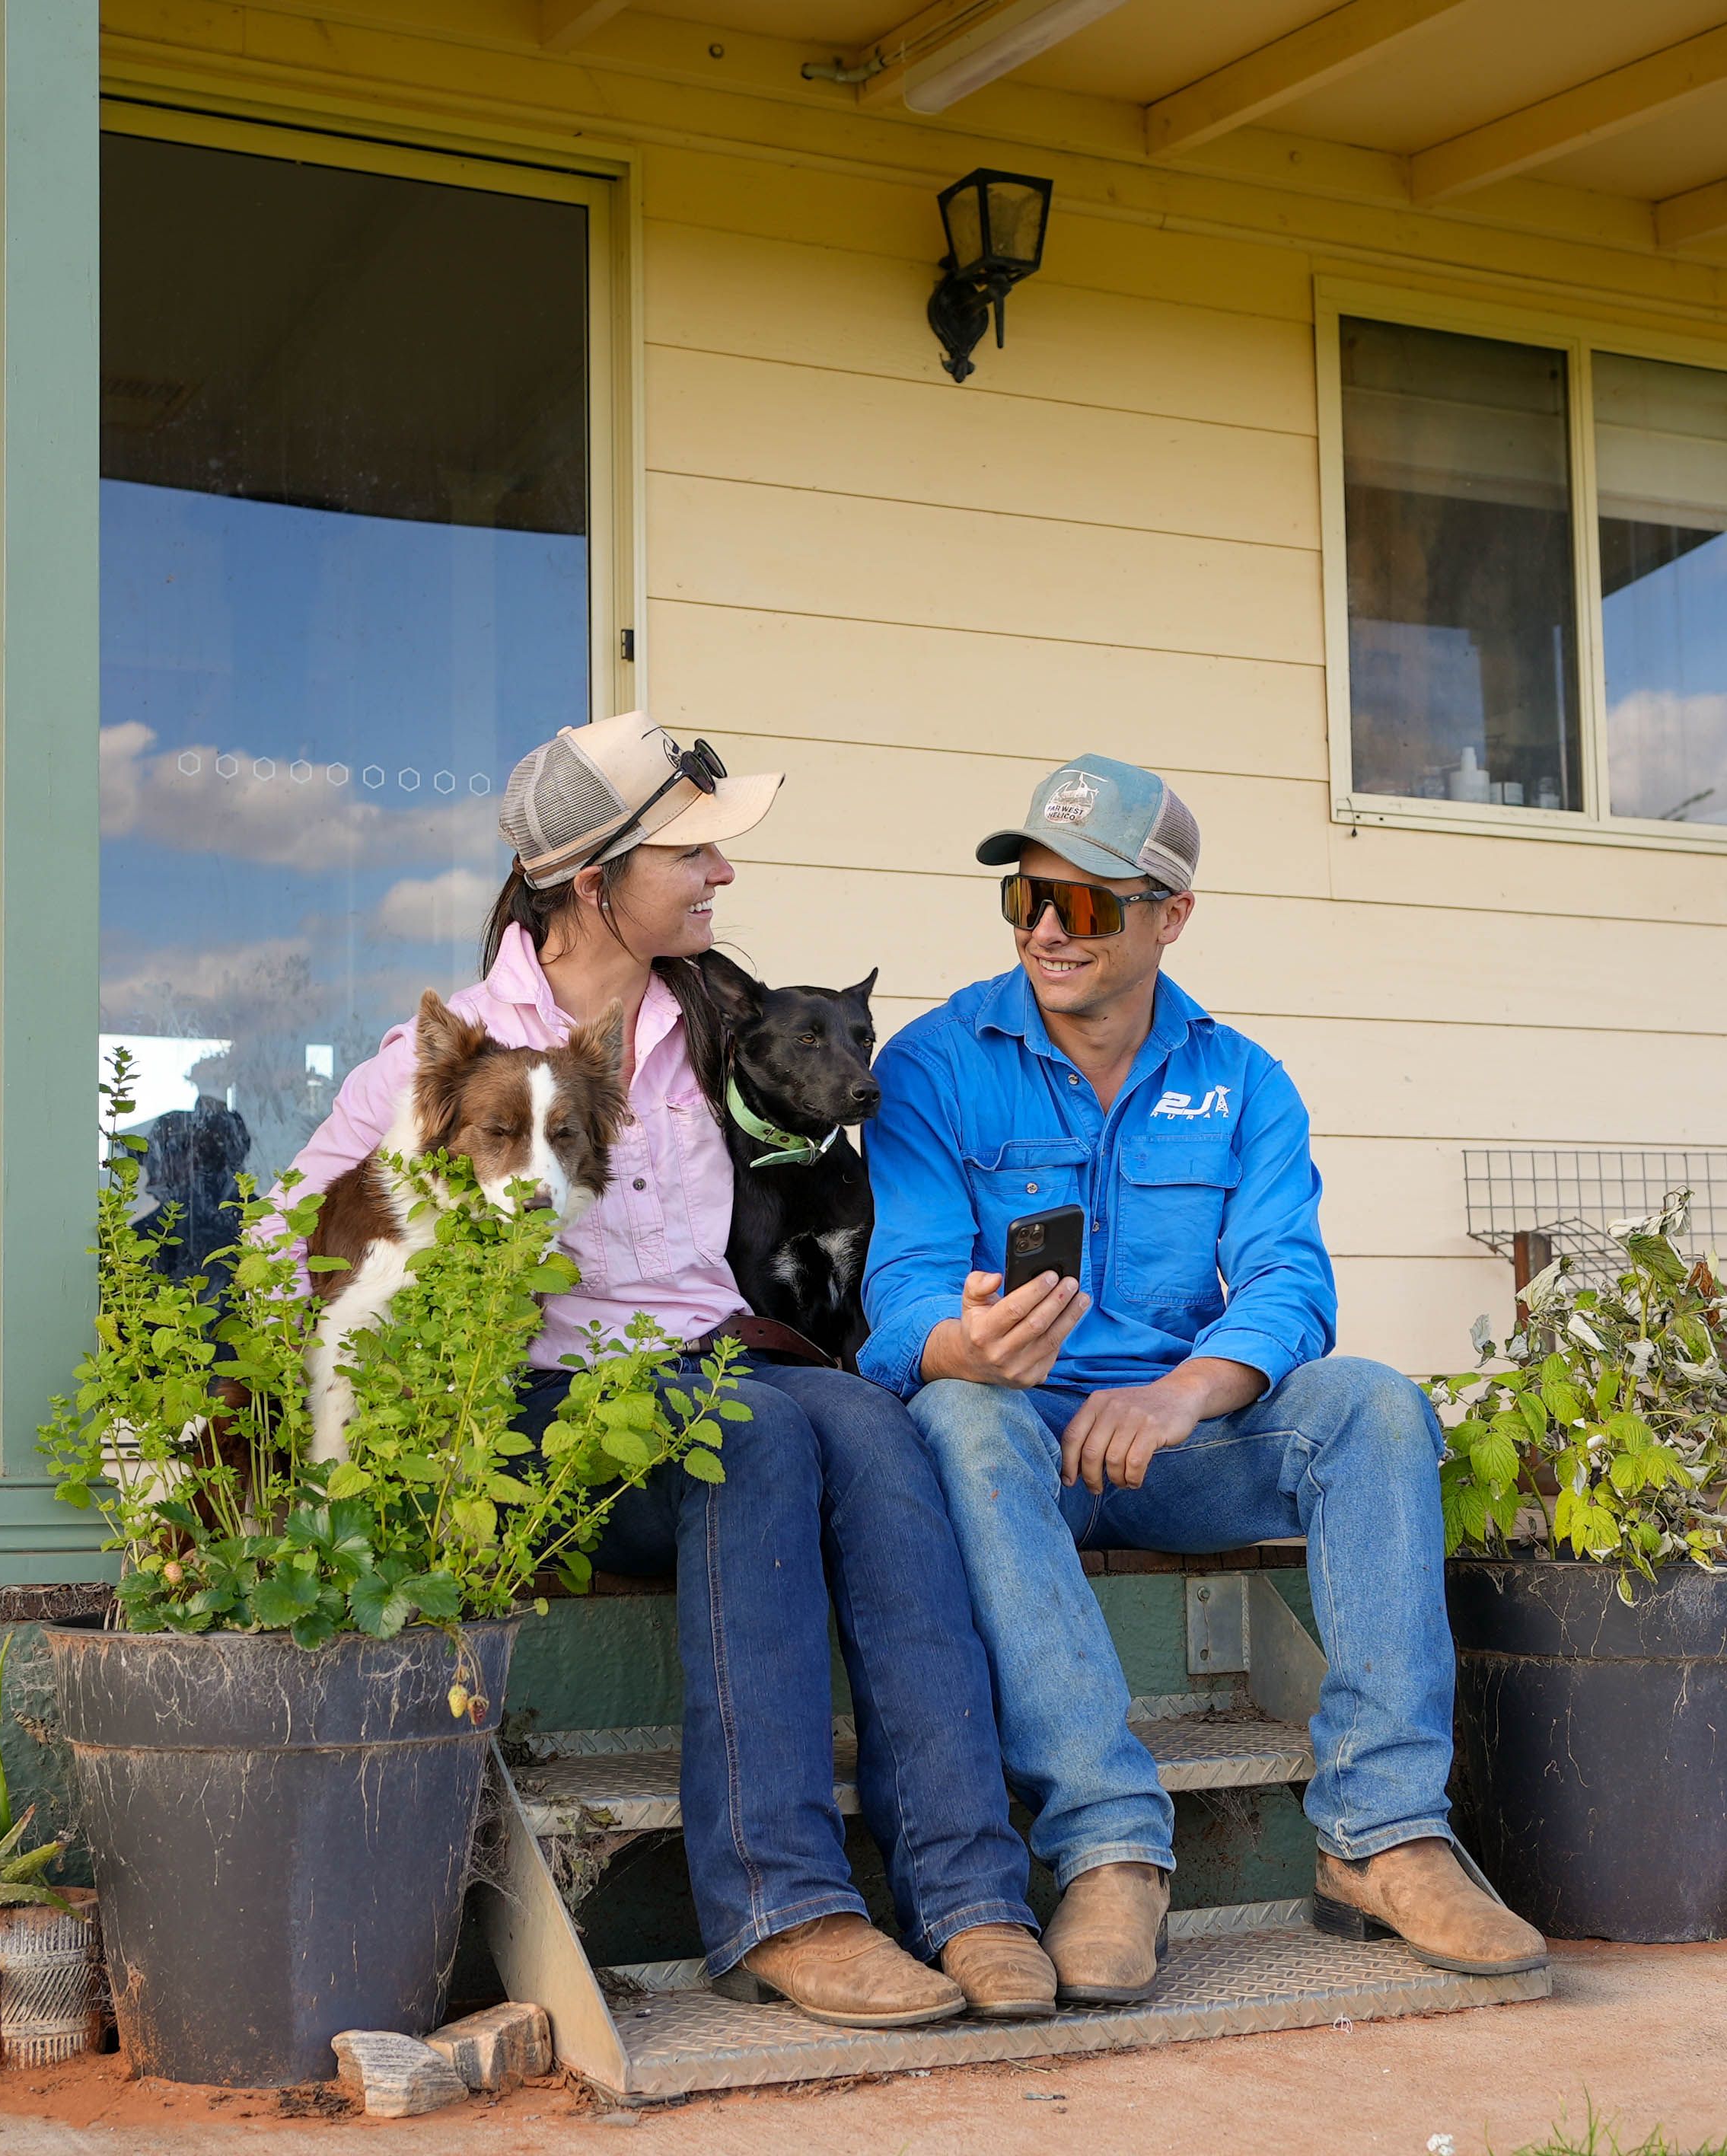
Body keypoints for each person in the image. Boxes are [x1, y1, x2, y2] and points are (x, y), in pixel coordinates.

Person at [285, 714, 1052, 2028]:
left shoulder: (716, 1029)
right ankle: (783, 1907)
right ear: (595, 881)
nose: (722, 878)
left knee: (877, 1426)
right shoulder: (456, 1053)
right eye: (693, 854)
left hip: (714, 1367)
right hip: (548, 1413)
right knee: (754, 1439)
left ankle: (972, 1893)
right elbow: (290, 1245)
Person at [858, 752, 1550, 2005]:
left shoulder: (1243, 1081)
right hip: (1021, 1446)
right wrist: (960, 1343)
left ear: (1171, 916)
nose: (1050, 932)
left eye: (1091, 905)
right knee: (958, 1414)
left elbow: (1291, 1283)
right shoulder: (933, 1065)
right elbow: (901, 1290)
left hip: (1184, 1447)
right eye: (1028, 899)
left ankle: (1383, 1833)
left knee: (1375, 1403)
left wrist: (1181, 1395)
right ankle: (1110, 1849)